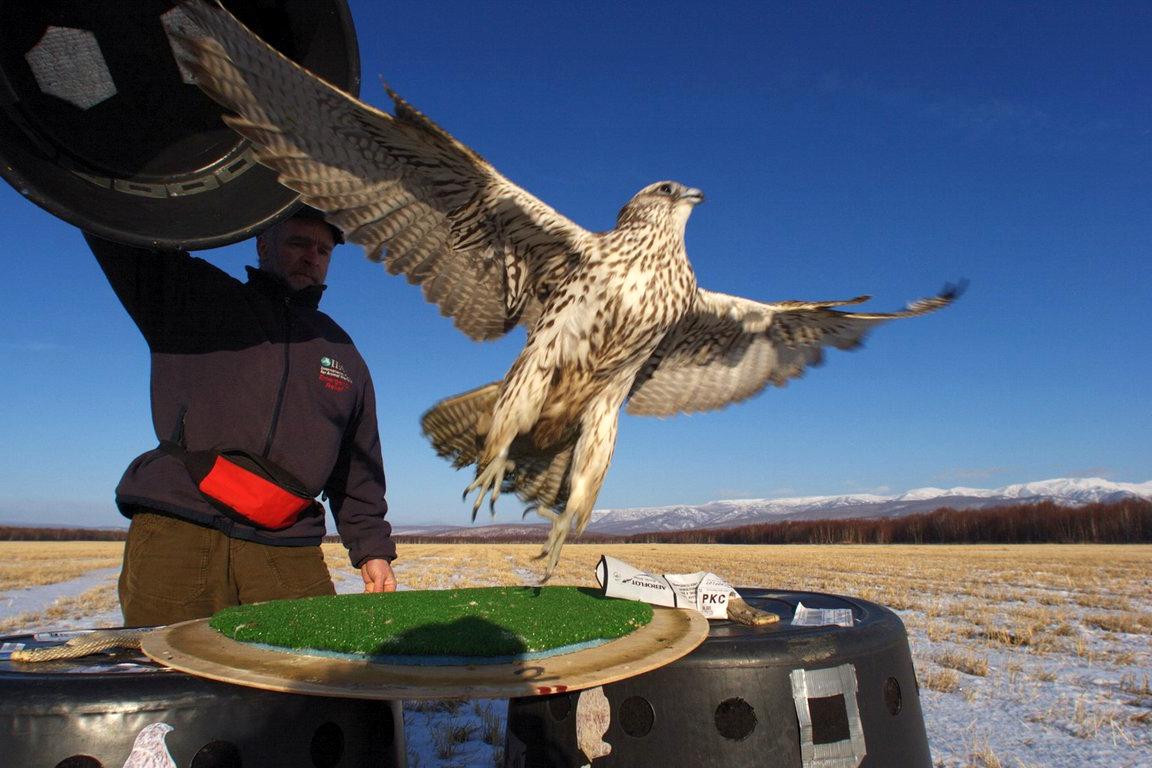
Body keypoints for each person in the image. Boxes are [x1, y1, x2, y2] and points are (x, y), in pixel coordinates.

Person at [87, 205, 397, 627]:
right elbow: (116, 225)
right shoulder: (197, 297)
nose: (312, 256)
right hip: (180, 528)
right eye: (298, 242)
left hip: (286, 544)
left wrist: (372, 549)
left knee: (310, 677)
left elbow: (358, 466)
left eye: (324, 250)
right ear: (262, 242)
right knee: (170, 679)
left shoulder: (343, 354)